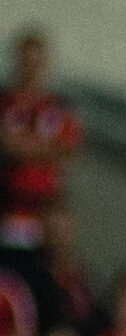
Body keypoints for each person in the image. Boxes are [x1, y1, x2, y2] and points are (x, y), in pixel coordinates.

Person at [0, 29, 79, 255]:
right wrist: (43, 147)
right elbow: (6, 143)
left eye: (38, 62)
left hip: (43, 214)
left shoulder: (59, 105)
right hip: (8, 208)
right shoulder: (5, 101)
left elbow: (67, 148)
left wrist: (21, 145)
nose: (32, 69)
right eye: (27, 61)